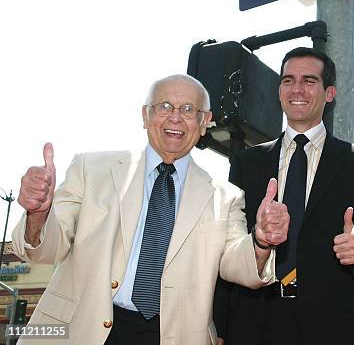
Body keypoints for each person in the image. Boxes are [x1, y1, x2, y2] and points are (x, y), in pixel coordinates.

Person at [12, 74, 289, 345]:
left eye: (189, 109)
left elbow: (236, 264)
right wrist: (39, 214)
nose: (175, 117)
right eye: (165, 106)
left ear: (205, 122)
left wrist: (261, 241)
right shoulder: (91, 169)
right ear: (145, 116)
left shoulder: (226, 196)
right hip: (82, 328)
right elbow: (49, 249)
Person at [213, 47, 354, 345]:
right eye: (288, 80)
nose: (297, 88)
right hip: (253, 322)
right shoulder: (245, 163)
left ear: (329, 93)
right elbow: (228, 247)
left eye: (309, 80)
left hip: (332, 325)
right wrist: (218, 326)